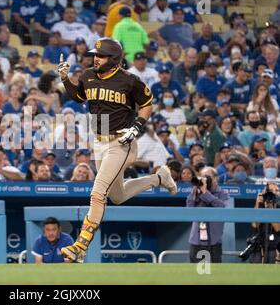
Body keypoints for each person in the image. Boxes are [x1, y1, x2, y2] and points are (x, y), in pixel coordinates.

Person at [58, 37, 177, 262]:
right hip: (99, 142)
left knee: (97, 193)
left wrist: (137, 127)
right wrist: (65, 79)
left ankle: (79, 247)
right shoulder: (87, 75)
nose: (95, 58)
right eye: (94, 55)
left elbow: (146, 104)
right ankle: (159, 178)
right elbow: (79, 96)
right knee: (118, 195)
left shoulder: (129, 80)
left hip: (121, 142)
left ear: (114, 60)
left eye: (100, 56)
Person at [186, 167, 229, 263]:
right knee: (195, 273)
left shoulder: (223, 193)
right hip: (196, 240)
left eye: (207, 177)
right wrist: (194, 193)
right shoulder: (197, 192)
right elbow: (189, 210)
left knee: (214, 275)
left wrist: (205, 193)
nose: (204, 180)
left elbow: (221, 207)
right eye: (202, 177)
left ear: (215, 178)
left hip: (213, 241)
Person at [248, 183, 280, 264]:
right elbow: (255, 225)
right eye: (270, 191)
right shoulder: (260, 205)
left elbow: (277, 228)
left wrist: (270, 208)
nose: (274, 193)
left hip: (275, 247)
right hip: (259, 246)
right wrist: (257, 203)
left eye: (277, 190)